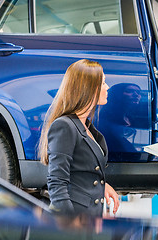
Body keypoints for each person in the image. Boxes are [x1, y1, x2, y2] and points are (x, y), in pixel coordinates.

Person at [38, 59, 120, 217]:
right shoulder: (64, 126)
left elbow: (81, 169)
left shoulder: (87, 127)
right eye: (103, 83)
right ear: (89, 88)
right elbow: (57, 182)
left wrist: (102, 186)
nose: (107, 87)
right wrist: (68, 223)